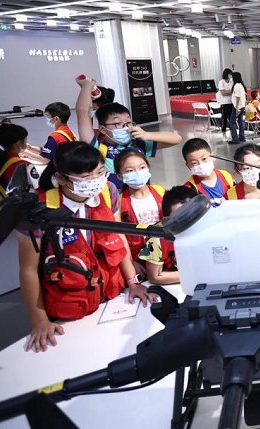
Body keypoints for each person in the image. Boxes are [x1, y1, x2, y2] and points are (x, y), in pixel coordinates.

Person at [19, 142, 155, 352]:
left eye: (100, 172)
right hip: (70, 307)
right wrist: (39, 321)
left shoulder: (108, 191)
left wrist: (133, 282)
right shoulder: (40, 209)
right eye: (85, 176)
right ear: (61, 178)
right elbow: (28, 269)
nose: (95, 181)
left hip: (112, 297)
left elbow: (117, 237)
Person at [75, 77, 182, 188]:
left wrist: (147, 135)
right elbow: (82, 112)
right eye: (118, 123)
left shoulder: (138, 145)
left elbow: (176, 139)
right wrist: (86, 85)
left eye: (128, 123)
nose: (125, 127)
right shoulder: (98, 149)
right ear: (102, 129)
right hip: (116, 198)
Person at [138, 186, 199, 285]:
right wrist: (195, 274)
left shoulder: (211, 227)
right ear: (168, 219)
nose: (187, 219)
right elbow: (155, 276)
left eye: (189, 212)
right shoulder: (157, 237)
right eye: (179, 216)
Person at [114, 150, 165, 262]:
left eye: (142, 167)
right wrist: (131, 263)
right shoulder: (119, 202)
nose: (138, 173)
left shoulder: (160, 191)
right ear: (120, 176)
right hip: (139, 259)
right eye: (130, 170)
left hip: (167, 252)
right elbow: (119, 237)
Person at [182, 138, 235, 206]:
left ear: (214, 156)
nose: (201, 165)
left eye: (204, 159)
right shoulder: (189, 189)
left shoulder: (227, 177)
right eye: (194, 163)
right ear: (188, 166)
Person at [0, 123, 30, 191]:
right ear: (19, 143)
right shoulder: (24, 165)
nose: (26, 143)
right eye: (25, 140)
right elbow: (37, 191)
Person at [229, 71, 247, 144]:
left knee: (232, 122)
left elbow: (237, 97)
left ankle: (235, 139)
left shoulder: (236, 86)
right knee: (240, 121)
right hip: (242, 106)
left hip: (237, 106)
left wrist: (236, 107)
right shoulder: (241, 85)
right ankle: (242, 137)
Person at [217, 69, 234, 140]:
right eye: (229, 74)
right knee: (224, 119)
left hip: (231, 102)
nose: (230, 75)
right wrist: (229, 92)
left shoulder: (231, 82)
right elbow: (223, 93)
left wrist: (228, 92)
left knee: (231, 119)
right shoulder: (221, 82)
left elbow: (233, 91)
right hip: (224, 103)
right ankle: (224, 134)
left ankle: (232, 133)